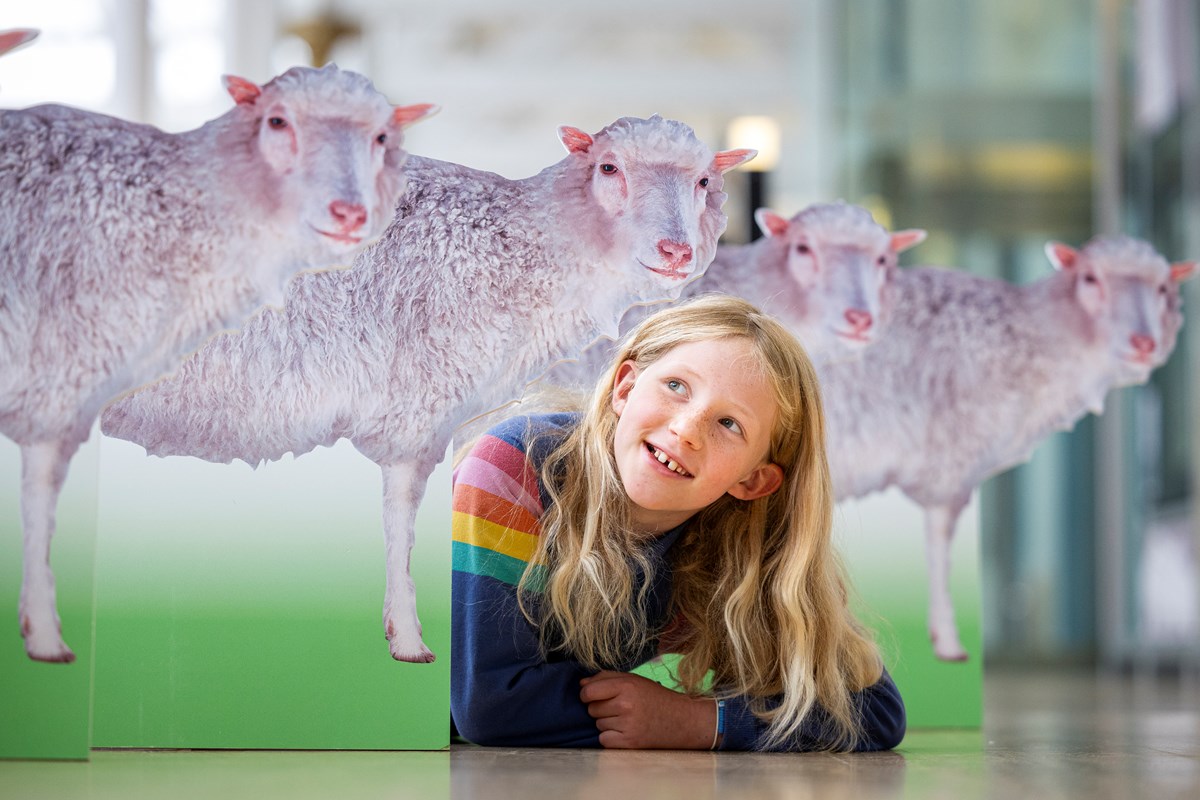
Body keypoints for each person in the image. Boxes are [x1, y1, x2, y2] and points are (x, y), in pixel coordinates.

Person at [450, 294, 905, 751]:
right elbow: (489, 705)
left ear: (753, 480)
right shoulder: (514, 467)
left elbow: (875, 710)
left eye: (729, 424)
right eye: (676, 386)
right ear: (625, 388)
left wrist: (702, 722)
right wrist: (659, 721)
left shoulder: (729, 548)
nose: (687, 429)